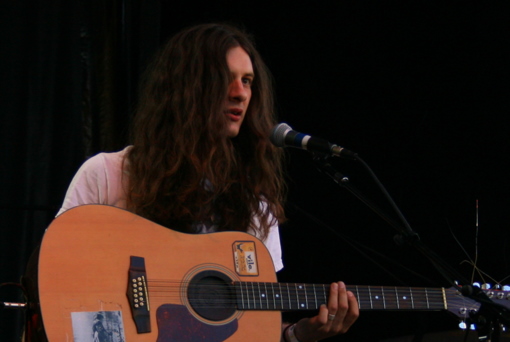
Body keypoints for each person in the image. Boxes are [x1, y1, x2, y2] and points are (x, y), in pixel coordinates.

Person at [57, 23, 359, 341]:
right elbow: (55, 272)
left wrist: (296, 334)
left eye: (247, 81)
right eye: (225, 78)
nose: (240, 92)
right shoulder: (108, 174)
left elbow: (255, 329)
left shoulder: (255, 204)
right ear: (186, 87)